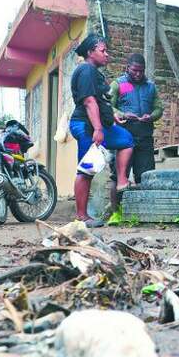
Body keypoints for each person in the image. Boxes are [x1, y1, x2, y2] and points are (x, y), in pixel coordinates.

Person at [68, 35, 134, 228]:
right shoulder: (86, 70)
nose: (107, 54)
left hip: (100, 125)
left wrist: (111, 116)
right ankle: (81, 216)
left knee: (126, 140)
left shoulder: (95, 73)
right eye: (102, 50)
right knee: (87, 169)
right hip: (86, 126)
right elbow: (89, 101)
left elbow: (100, 101)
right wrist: (98, 128)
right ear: (90, 52)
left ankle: (121, 180)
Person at [109, 53, 161, 186]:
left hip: (145, 139)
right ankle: (117, 201)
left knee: (146, 178)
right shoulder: (118, 84)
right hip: (123, 139)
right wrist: (123, 115)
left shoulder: (150, 87)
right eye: (135, 70)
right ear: (127, 68)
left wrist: (151, 116)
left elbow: (159, 109)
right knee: (118, 178)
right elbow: (107, 106)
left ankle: (142, 200)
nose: (138, 74)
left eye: (141, 71)